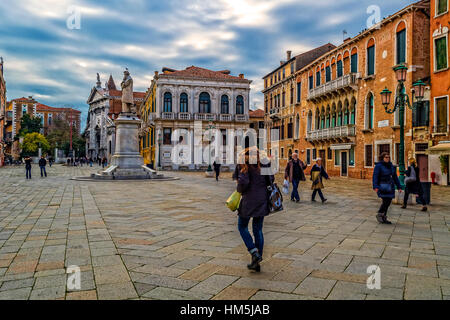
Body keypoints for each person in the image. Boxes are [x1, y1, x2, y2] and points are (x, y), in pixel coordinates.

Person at [234, 148, 273, 272]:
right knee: (258, 229)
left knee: (242, 227)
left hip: (248, 201)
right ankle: (256, 261)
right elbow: (271, 180)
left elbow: (243, 182)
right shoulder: (265, 163)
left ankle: (254, 252)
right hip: (262, 200)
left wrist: (239, 189)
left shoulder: (243, 163)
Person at [373, 152, 402, 224]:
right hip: (382, 186)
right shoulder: (378, 166)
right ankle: (380, 213)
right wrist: (375, 186)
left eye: (388, 157)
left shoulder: (391, 166)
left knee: (388, 202)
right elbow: (375, 176)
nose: (388, 158)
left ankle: (383, 217)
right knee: (386, 201)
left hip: (390, 186)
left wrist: (399, 186)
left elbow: (395, 177)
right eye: (386, 157)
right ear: (382, 158)